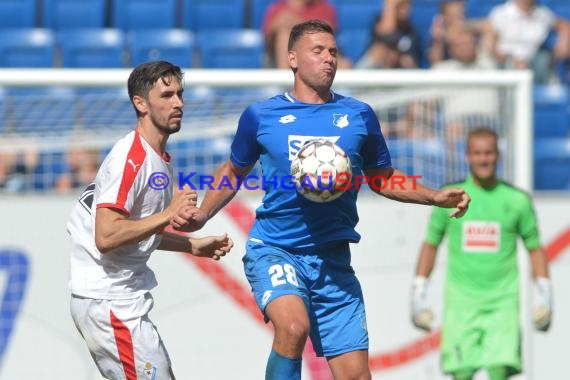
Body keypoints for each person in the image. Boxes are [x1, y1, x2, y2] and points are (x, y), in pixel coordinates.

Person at [171, 20, 470, 379]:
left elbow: (383, 178)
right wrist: (203, 213)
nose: (329, 59)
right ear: (292, 58)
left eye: (333, 52)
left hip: (332, 259)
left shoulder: (358, 115)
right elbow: (234, 172)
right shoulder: (261, 116)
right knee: (293, 328)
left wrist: (434, 195)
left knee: (356, 375)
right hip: (276, 249)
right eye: (318, 51)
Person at [66, 60, 234, 380]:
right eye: (167, 95)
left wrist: (191, 245)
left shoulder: (158, 159)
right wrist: (168, 213)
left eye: (180, 94)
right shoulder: (131, 158)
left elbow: (134, 231)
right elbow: (107, 234)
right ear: (140, 103)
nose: (178, 103)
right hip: (110, 302)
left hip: (115, 301)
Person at [410, 127, 552, 380]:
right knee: (462, 374)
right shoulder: (450, 197)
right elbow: (431, 244)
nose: (483, 159)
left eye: (488, 153)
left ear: (498, 155)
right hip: (461, 306)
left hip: (502, 306)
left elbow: (534, 247)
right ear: (467, 156)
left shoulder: (517, 200)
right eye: (477, 153)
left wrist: (545, 294)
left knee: (498, 373)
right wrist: (418, 293)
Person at [483, 0, 570, 83]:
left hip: (533, 61)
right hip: (506, 60)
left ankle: (539, 95)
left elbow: (563, 25)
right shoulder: (501, 13)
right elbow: (489, 41)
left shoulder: (542, 14)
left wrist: (564, 42)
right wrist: (510, 60)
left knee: (543, 61)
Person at [262, 0, 337, 69]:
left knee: (344, 65)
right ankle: (285, 79)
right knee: (284, 34)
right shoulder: (276, 8)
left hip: (316, 54)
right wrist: (276, 25)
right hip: (279, 59)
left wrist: (297, 23)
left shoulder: (324, 8)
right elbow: (267, 42)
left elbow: (328, 33)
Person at [355, 0, 421, 69]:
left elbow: (413, 63)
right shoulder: (378, 22)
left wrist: (399, 58)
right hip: (378, 69)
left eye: (408, 5)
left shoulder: (412, 31)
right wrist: (390, 6)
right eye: (401, 5)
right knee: (375, 54)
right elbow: (387, 35)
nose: (406, 9)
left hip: (400, 72)